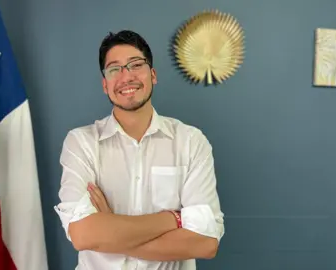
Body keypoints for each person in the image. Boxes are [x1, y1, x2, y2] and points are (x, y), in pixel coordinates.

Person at [54, 29, 225, 270]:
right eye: (114, 69)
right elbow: (83, 236)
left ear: (153, 75)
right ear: (105, 84)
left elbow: (205, 244)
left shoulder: (191, 142)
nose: (126, 77)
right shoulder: (81, 143)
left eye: (136, 65)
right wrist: (174, 218)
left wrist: (110, 228)